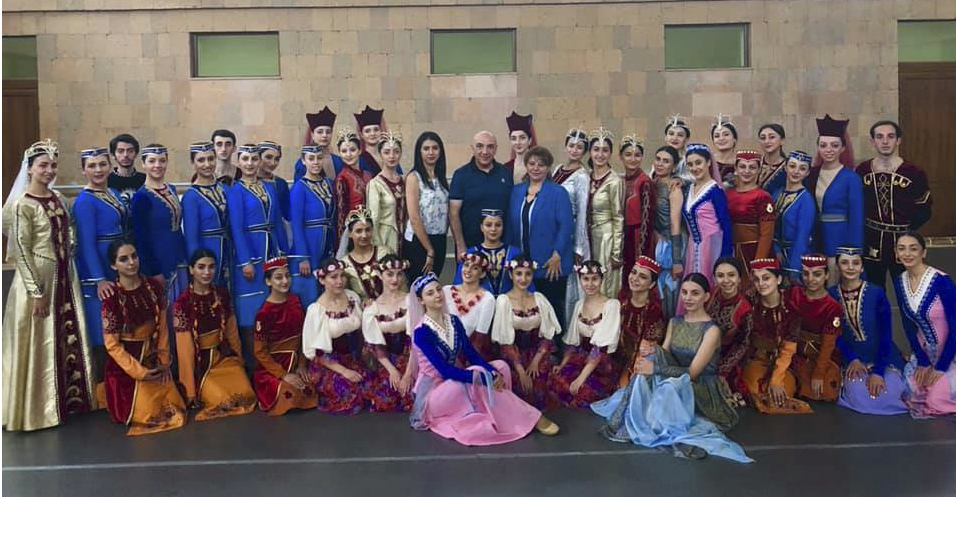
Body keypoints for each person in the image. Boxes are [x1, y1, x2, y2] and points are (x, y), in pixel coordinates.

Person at [592, 273, 751, 463]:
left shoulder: (712, 330)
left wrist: (654, 369)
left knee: (669, 386)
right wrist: (647, 361)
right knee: (653, 353)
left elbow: (692, 373)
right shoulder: (675, 322)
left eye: (695, 293)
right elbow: (663, 356)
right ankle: (627, 418)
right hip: (674, 377)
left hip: (699, 388)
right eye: (684, 292)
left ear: (706, 296)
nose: (688, 298)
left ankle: (641, 420)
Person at [2, 140, 97, 431]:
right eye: (43, 165)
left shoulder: (59, 198)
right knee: (40, 338)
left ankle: (69, 401)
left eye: (53, 165)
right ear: (30, 169)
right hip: (39, 279)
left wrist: (69, 250)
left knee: (67, 333)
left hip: (65, 275)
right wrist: (36, 292)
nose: (49, 170)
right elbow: (22, 249)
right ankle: (37, 408)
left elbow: (69, 231)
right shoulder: (23, 204)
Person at [408, 272, 560, 445]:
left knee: (501, 366)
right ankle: (532, 417)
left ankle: (506, 417)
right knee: (477, 373)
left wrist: (493, 373)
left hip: (453, 384)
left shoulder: (453, 321)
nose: (437, 295)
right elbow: (445, 370)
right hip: (434, 394)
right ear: (420, 300)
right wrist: (483, 377)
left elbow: (471, 353)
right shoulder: (422, 332)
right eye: (430, 293)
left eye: (438, 289)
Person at [100, 240, 187, 435]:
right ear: (113, 265)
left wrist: (163, 362)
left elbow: (163, 328)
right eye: (124, 259)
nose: (131, 262)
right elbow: (112, 345)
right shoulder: (112, 298)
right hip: (127, 366)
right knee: (149, 413)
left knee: (175, 407)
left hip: (153, 357)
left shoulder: (154, 287)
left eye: (134, 256)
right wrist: (139, 372)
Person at [173, 249, 257, 420]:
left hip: (223, 356)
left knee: (246, 393)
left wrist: (239, 359)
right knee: (221, 400)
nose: (207, 272)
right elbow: (184, 349)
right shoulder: (183, 302)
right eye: (201, 267)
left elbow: (232, 331)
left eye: (211, 267)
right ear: (191, 270)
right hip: (201, 365)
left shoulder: (222, 293)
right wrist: (189, 389)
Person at [228, 143, 290, 364]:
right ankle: (252, 364)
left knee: (272, 305)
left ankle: (275, 360)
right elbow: (236, 227)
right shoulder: (235, 191)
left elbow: (278, 222)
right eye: (245, 159)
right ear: (238, 162)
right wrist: (245, 260)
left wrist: (284, 253)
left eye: (254, 159)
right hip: (250, 253)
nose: (250, 163)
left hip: (271, 250)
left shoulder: (269, 187)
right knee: (251, 311)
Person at [829, 246, 907, 415]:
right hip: (852, 358)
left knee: (888, 392)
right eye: (845, 263)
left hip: (883, 356)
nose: (850, 267)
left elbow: (886, 334)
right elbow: (835, 334)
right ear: (837, 267)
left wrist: (878, 372)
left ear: (862, 267)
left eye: (856, 263)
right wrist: (852, 358)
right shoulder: (831, 295)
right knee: (858, 395)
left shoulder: (877, 293)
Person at [856, 120, 933, 288]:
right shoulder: (862, 170)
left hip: (903, 243)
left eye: (890, 136)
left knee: (908, 290)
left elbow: (925, 209)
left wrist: (907, 229)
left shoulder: (914, 172)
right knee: (873, 291)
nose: (885, 141)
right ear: (873, 141)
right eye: (879, 137)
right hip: (872, 241)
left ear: (898, 140)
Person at [506, 146, 573, 328]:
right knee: (526, 310)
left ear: (548, 167)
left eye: (541, 165)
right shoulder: (517, 191)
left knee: (552, 310)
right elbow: (511, 224)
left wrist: (557, 254)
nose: (536, 168)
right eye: (532, 163)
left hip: (550, 262)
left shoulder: (558, 192)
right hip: (523, 261)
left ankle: (554, 344)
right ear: (526, 165)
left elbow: (566, 226)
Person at [73, 147, 129, 362]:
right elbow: (86, 244)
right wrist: (99, 279)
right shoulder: (84, 201)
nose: (98, 170)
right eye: (92, 166)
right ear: (83, 170)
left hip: (118, 264)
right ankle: (103, 378)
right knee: (103, 327)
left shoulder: (113, 193)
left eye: (102, 164)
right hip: (99, 270)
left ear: (110, 166)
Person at [893, 232, 956, 417]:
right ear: (896, 253)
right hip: (926, 353)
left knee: (935, 400)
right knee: (911, 392)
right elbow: (907, 324)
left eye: (913, 249)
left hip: (951, 354)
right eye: (902, 249)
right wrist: (922, 360)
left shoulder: (942, 281)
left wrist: (941, 366)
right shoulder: (900, 281)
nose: (907, 254)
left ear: (924, 252)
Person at [740, 257, 812, 414]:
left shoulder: (790, 306)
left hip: (785, 362)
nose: (761, 283)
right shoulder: (750, 302)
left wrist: (776, 380)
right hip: (757, 358)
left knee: (780, 393)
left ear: (778, 279)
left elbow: (788, 349)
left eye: (766, 278)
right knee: (753, 389)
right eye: (757, 279)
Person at [491, 255, 562, 409]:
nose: (523, 279)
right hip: (514, 358)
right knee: (521, 388)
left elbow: (548, 336)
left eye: (528, 274)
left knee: (543, 386)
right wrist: (521, 371)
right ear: (511, 275)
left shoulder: (539, 298)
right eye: (518, 274)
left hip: (538, 355)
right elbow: (505, 343)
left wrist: (536, 361)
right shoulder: (503, 301)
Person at [302, 258, 370, 414]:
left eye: (342, 276)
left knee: (370, 388)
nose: (340, 281)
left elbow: (361, 328)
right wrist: (344, 371)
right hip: (330, 364)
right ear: (322, 280)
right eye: (333, 277)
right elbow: (316, 353)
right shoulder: (316, 311)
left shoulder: (352, 297)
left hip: (353, 358)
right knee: (350, 394)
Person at [550, 261, 621, 408]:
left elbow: (600, 349)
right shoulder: (579, 305)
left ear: (602, 279)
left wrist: (580, 379)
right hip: (581, 356)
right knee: (557, 381)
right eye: (586, 279)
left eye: (595, 279)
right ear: (580, 280)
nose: (590, 284)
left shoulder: (611, 305)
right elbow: (573, 341)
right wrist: (562, 364)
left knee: (582, 391)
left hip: (600, 362)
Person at [252, 256, 317, 415]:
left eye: (288, 276)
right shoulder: (264, 313)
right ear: (268, 281)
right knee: (290, 394)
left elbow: (304, 336)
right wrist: (283, 375)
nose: (285, 281)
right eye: (278, 277)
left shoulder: (296, 300)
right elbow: (260, 351)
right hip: (274, 368)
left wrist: (302, 364)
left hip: (297, 360)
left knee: (313, 385)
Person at [805, 114, 863, 284]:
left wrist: (853, 251)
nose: (828, 150)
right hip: (814, 238)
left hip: (839, 239)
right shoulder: (811, 174)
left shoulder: (851, 178)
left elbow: (857, 217)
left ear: (843, 148)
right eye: (823, 145)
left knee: (835, 284)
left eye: (834, 145)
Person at [130, 144, 188, 309]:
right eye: (152, 161)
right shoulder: (141, 197)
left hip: (179, 256)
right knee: (165, 305)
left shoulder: (172, 189)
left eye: (162, 161)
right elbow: (141, 238)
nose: (157, 165)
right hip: (159, 260)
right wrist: (153, 270)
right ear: (143, 164)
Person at [361, 255, 416, 411]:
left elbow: (416, 341)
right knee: (385, 400)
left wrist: (408, 374)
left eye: (399, 274)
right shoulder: (372, 308)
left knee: (411, 396)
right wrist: (392, 371)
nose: (395, 279)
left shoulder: (410, 301)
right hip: (386, 360)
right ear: (380, 275)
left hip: (410, 358)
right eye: (390, 274)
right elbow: (375, 345)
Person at [680, 143, 732, 308]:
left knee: (709, 287)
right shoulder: (689, 189)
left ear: (708, 162)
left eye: (698, 162)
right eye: (690, 164)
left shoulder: (715, 191)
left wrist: (725, 256)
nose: (694, 168)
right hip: (693, 248)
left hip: (712, 246)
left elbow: (726, 224)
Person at [550, 127, 592, 325]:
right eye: (572, 145)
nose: (575, 150)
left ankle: (570, 326)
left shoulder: (582, 176)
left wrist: (579, 247)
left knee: (567, 280)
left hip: (572, 230)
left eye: (580, 147)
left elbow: (582, 211)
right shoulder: (558, 169)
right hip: (554, 229)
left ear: (585, 151)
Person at [789, 254, 844, 403]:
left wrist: (819, 373)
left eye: (817, 274)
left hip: (822, 356)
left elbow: (828, 344)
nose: (810, 279)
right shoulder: (795, 294)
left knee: (826, 392)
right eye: (806, 274)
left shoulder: (832, 306)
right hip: (797, 354)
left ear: (826, 275)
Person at [449, 130, 512, 259]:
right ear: (472, 148)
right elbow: (453, 214)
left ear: (496, 149)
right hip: (470, 246)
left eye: (490, 146)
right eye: (479, 146)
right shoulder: (461, 175)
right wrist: (460, 245)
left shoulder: (505, 173)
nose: (485, 151)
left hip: (501, 248)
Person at [289, 144, 336, 306]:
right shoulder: (299, 188)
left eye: (319, 158)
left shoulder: (329, 183)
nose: (316, 162)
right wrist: (302, 256)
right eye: (311, 158)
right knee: (311, 289)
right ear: (303, 161)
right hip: (310, 243)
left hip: (328, 240)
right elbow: (296, 224)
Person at [182, 141, 231, 286]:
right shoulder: (191, 196)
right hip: (207, 250)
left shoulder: (226, 188)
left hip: (230, 249)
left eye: (210, 159)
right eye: (201, 160)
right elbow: (191, 237)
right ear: (193, 163)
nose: (207, 164)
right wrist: (197, 264)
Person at [403, 131, 449, 279]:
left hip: (439, 238)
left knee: (434, 282)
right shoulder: (414, 177)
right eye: (426, 148)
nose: (431, 152)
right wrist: (429, 250)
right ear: (419, 151)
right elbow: (414, 217)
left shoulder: (441, 178)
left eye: (435, 148)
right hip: (419, 241)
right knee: (420, 285)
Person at [705, 257, 752, 398]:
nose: (726, 280)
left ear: (739, 278)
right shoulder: (709, 294)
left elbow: (742, 344)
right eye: (720, 276)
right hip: (702, 347)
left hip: (726, 356)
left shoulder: (745, 309)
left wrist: (722, 371)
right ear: (715, 278)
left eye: (731, 275)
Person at [726, 150, 775, 283]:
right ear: (736, 168)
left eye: (752, 167)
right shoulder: (728, 194)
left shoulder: (763, 196)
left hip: (753, 252)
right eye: (742, 166)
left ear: (759, 170)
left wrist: (758, 263)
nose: (747, 171)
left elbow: (767, 234)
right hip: (731, 251)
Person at [586, 127, 625, 298]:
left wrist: (616, 252)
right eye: (596, 149)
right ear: (590, 152)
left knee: (604, 283)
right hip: (589, 237)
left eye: (605, 150)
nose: (600, 154)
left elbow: (619, 217)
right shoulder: (586, 177)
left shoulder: (614, 181)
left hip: (606, 238)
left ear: (610, 153)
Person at [616, 257, 666, 387]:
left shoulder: (654, 311)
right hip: (614, 355)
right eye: (633, 272)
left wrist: (631, 371)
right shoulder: (622, 297)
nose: (635, 278)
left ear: (652, 284)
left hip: (637, 359)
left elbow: (646, 350)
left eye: (643, 277)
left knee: (624, 388)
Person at [651, 145, 685, 318]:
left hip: (669, 247)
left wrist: (677, 260)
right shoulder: (652, 183)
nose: (660, 164)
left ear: (674, 165)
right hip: (654, 243)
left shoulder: (674, 189)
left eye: (666, 161)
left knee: (668, 293)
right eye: (658, 159)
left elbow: (675, 224)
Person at [773, 150, 817, 284]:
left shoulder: (806, 199)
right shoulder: (777, 193)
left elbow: (803, 236)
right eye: (792, 166)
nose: (796, 171)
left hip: (795, 255)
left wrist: (795, 269)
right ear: (785, 167)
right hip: (776, 255)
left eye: (802, 168)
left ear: (807, 173)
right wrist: (776, 250)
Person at [456, 209, 522, 295]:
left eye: (498, 225)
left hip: (509, 301)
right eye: (488, 225)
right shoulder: (471, 252)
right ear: (481, 227)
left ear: (503, 227)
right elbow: (459, 284)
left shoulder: (515, 252)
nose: (493, 229)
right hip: (479, 300)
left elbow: (526, 284)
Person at [445, 252, 497, 356]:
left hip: (468, 354)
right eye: (466, 265)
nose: (468, 270)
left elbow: (479, 339)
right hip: (442, 349)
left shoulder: (488, 299)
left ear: (482, 274)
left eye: (475, 268)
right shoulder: (446, 291)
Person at [620, 134, 656, 279]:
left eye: (637, 155)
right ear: (621, 156)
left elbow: (648, 220)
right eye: (628, 154)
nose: (633, 159)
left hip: (637, 238)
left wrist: (642, 253)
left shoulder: (645, 182)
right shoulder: (620, 180)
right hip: (621, 236)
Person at [340, 206, 393, 304]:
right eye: (359, 231)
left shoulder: (384, 253)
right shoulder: (345, 264)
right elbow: (345, 295)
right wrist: (362, 303)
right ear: (350, 234)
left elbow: (401, 283)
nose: (364, 235)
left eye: (368, 230)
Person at [333, 127, 372, 255]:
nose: (348, 154)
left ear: (360, 150)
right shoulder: (342, 178)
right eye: (344, 151)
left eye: (352, 150)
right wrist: (341, 244)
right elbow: (340, 215)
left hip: (370, 230)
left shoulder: (368, 175)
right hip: (353, 234)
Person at [366, 131, 406, 256]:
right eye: (387, 152)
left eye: (396, 151)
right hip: (385, 239)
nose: (392, 156)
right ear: (380, 154)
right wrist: (379, 249)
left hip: (406, 239)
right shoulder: (375, 184)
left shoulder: (405, 180)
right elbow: (373, 219)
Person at [294, 106, 344, 181]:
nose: (324, 135)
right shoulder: (303, 163)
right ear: (312, 134)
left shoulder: (339, 161)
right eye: (320, 132)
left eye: (328, 132)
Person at [258, 141, 291, 234]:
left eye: (277, 159)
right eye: (268, 157)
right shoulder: (244, 184)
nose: (273, 163)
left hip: (277, 233)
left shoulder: (281, 184)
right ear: (258, 157)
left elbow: (287, 214)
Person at [107, 133, 146, 205]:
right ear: (113, 155)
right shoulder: (106, 181)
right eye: (120, 151)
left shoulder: (145, 180)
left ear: (136, 154)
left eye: (130, 151)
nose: (125, 155)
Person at [354, 105, 391, 176]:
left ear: (381, 131)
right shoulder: (360, 160)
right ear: (361, 135)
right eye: (367, 131)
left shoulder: (390, 156)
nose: (372, 134)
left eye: (376, 129)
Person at [505, 111, 536, 184]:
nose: (518, 142)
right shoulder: (506, 168)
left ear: (530, 140)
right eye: (513, 138)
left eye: (522, 138)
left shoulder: (538, 166)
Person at [756, 123, 788, 193]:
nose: (766, 141)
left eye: (772, 137)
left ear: (782, 141)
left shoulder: (788, 168)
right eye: (763, 138)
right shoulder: (754, 163)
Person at [664, 114, 693, 183]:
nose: (675, 138)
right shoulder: (660, 158)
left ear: (686, 139)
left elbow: (696, 178)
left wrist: (681, 180)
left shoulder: (689, 160)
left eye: (680, 135)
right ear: (666, 137)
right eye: (671, 134)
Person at [711, 114, 738, 184]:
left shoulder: (740, 163)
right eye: (717, 136)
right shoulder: (708, 162)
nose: (721, 138)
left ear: (734, 139)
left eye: (726, 134)